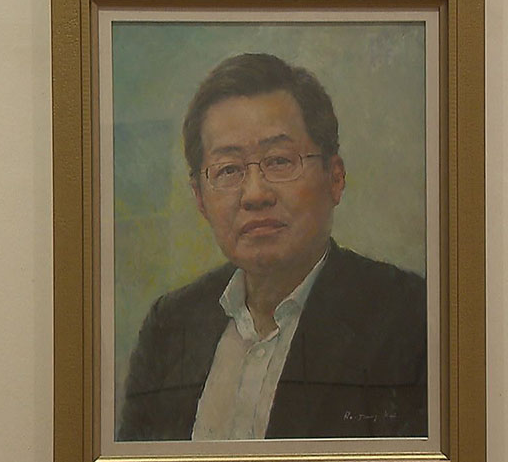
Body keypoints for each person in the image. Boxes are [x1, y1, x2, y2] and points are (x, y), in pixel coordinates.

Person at [118, 53, 427, 441]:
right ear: (199, 197)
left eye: (280, 161)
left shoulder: (411, 319)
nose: (255, 194)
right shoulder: (169, 326)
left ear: (334, 178)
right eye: (228, 170)